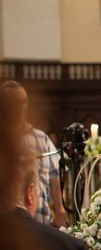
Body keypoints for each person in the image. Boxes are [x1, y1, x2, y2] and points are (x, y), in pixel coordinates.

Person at [1, 81, 67, 227]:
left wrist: (60, 211)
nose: (20, 107)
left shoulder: (41, 138)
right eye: (14, 103)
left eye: (23, 102)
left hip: (40, 221)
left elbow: (54, 177)